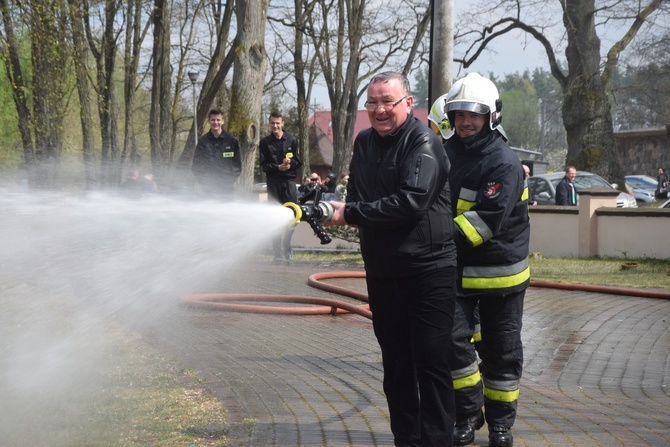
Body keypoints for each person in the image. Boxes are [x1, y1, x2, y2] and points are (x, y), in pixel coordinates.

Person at [326, 71, 457, 446]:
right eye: (373, 103)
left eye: (388, 102)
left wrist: (350, 214)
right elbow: (361, 201)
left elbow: (411, 202)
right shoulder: (364, 143)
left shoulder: (425, 144)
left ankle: (435, 441)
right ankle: (406, 440)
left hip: (429, 271)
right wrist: (342, 211)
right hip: (383, 273)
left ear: (408, 104)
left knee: (431, 362)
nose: (380, 110)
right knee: (396, 364)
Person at [433, 72, 530, 447]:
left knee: (501, 353)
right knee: (451, 343)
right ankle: (467, 415)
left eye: (473, 115)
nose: (465, 122)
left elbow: (484, 223)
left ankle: (501, 425)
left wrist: (431, 238)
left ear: (491, 117)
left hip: (500, 277)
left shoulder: (503, 163)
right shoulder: (445, 153)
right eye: (458, 115)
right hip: (455, 272)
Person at [259, 111, 303, 262]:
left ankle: (287, 243)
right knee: (274, 218)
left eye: (278, 123)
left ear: (283, 123)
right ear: (269, 124)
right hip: (273, 184)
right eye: (272, 123)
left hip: (289, 183)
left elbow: (298, 162)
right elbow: (263, 166)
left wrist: (290, 164)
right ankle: (277, 251)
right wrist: (278, 167)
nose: (275, 126)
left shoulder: (291, 140)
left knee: (293, 215)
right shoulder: (264, 143)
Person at [191, 109, 242, 199]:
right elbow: (196, 165)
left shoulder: (231, 140)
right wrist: (203, 181)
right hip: (208, 189)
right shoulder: (203, 141)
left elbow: (237, 165)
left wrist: (230, 179)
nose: (215, 122)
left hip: (227, 188)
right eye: (213, 120)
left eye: (218, 120)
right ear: (208, 121)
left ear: (222, 121)